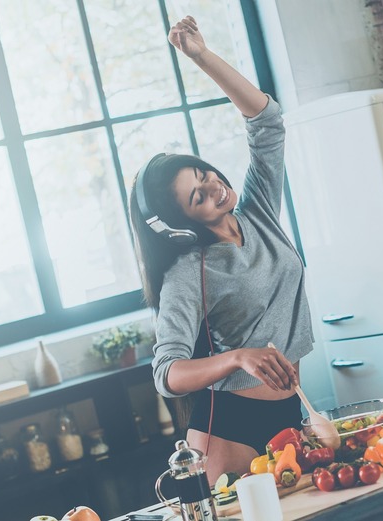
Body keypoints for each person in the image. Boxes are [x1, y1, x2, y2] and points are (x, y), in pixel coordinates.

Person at [128, 15, 314, 482]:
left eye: (204, 173)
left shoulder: (259, 215)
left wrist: (200, 56)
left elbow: (267, 122)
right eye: (197, 196)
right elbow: (166, 373)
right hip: (229, 432)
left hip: (293, 413)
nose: (213, 187)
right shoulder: (189, 272)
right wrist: (237, 356)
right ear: (181, 226)